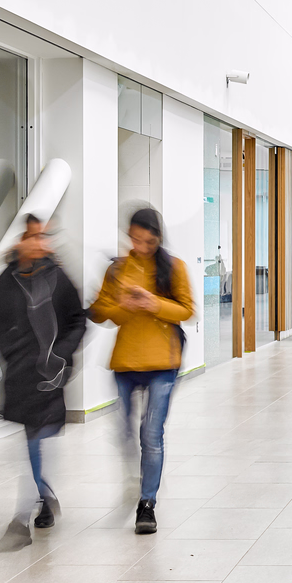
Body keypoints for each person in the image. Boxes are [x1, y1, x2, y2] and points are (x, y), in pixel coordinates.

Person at [90, 206, 194, 534]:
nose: (139, 246)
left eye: (147, 241)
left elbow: (187, 311)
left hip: (163, 362)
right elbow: (99, 311)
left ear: (158, 238)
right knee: (124, 433)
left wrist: (154, 304)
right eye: (134, 239)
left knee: (151, 434)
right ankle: (137, 475)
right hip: (125, 362)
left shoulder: (174, 268)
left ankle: (146, 503)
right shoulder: (118, 269)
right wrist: (124, 304)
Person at [0, 214, 86, 550]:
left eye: (43, 237)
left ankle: (19, 521)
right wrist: (14, 354)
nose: (40, 243)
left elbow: (78, 319)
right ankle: (43, 497)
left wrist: (61, 355)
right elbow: (0, 321)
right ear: (22, 241)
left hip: (50, 375)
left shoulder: (58, 277)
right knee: (33, 441)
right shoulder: (7, 279)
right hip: (22, 375)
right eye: (33, 237)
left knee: (36, 440)